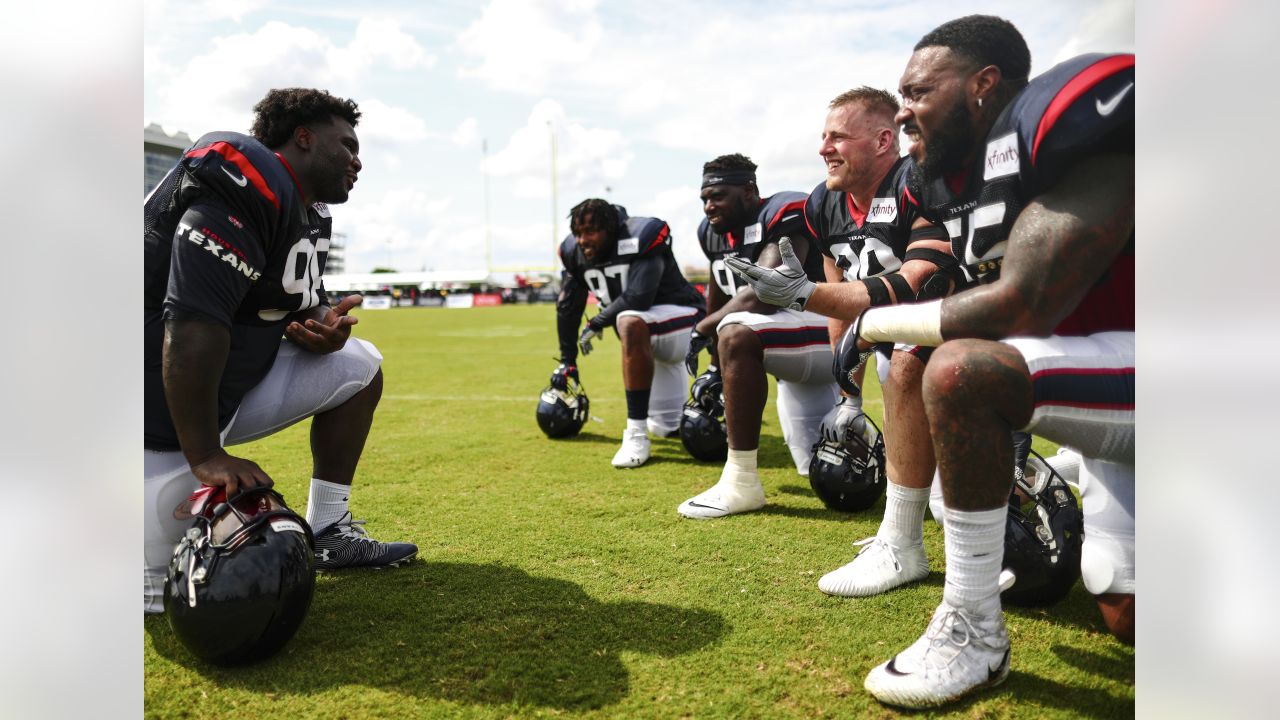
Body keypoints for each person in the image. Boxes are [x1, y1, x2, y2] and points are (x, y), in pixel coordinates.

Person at [727, 15, 1134, 708]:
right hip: (1106, 386)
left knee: (957, 368)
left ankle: (973, 626)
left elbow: (1026, 302)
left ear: (983, 84)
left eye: (919, 90)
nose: (907, 105)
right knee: (1129, 622)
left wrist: (876, 320)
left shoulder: (1056, 124)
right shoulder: (945, 181)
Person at [144, 88, 418, 615]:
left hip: (219, 387)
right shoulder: (246, 179)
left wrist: (324, 325)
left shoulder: (308, 212)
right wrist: (205, 454)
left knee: (357, 364)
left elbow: (292, 304)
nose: (357, 161)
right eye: (348, 144)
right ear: (304, 137)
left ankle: (331, 527)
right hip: (148, 398)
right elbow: (194, 319)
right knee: (164, 596)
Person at [676, 154, 835, 519]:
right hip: (789, 344)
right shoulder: (712, 232)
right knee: (811, 469)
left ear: (748, 191)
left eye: (718, 195)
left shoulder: (781, 212)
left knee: (735, 334)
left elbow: (766, 292)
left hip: (826, 332)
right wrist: (716, 367)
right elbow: (720, 291)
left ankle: (742, 481)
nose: (709, 206)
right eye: (704, 198)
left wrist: (704, 329)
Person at [552, 199, 705, 468]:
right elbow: (568, 307)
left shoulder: (640, 237)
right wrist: (568, 361)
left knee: (630, 320)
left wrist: (597, 322)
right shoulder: (574, 253)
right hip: (651, 338)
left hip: (685, 323)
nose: (582, 240)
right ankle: (670, 419)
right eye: (578, 233)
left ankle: (635, 434)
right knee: (667, 427)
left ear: (610, 229)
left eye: (590, 231)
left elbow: (639, 297)